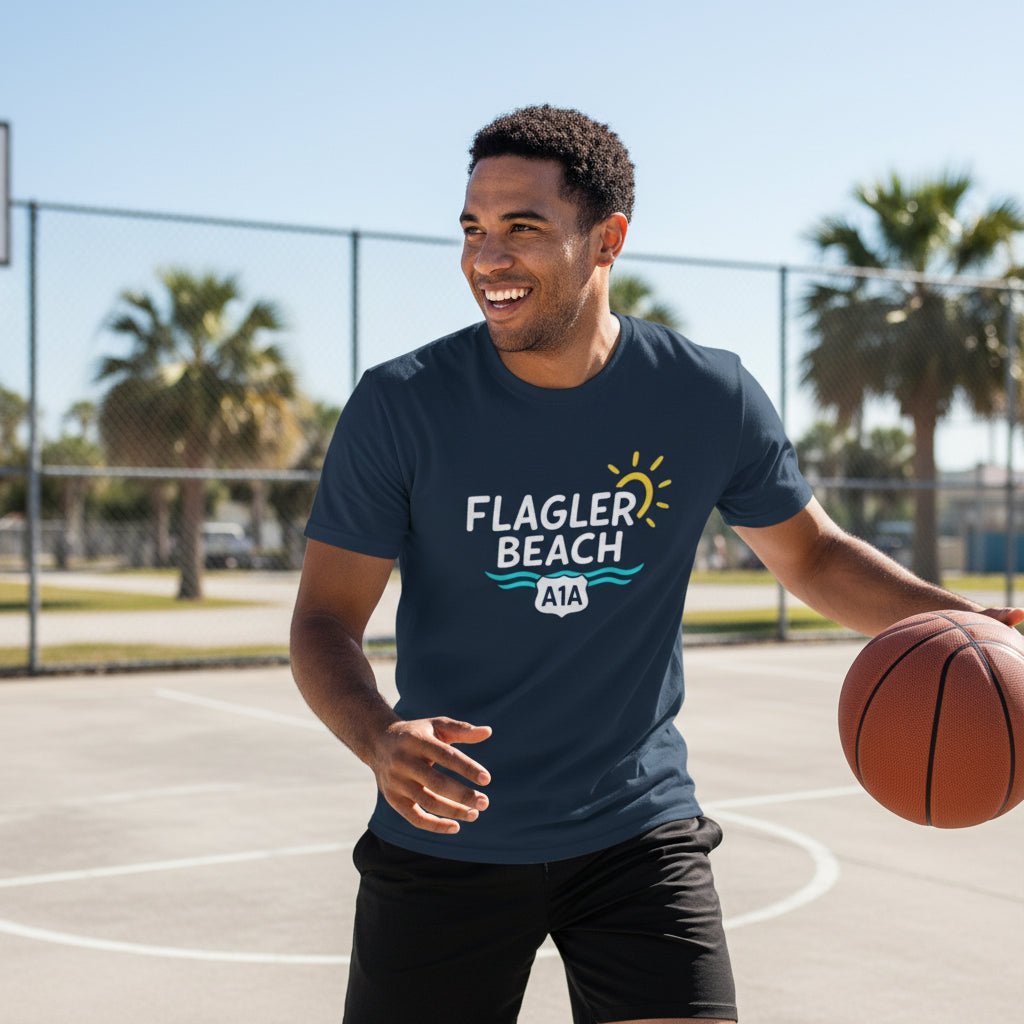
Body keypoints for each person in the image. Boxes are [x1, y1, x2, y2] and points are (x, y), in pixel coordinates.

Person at [290, 105, 1023, 1024]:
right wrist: (378, 737)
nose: (487, 258)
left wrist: (965, 625)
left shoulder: (704, 396)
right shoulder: (401, 406)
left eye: (523, 228)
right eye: (473, 229)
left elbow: (816, 556)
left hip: (635, 833)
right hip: (449, 831)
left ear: (607, 240)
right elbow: (324, 621)